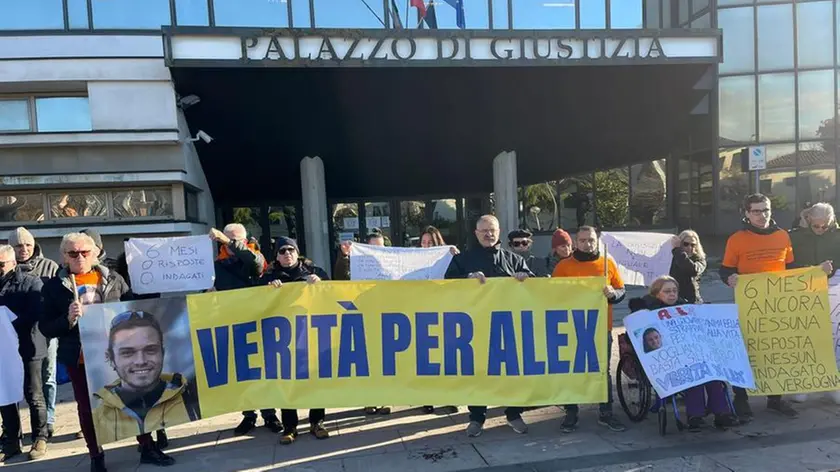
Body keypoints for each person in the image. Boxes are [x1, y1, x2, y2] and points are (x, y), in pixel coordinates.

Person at [39, 233, 173, 471]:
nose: (79, 257)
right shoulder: (54, 287)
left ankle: (146, 445)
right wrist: (67, 319)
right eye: (73, 253)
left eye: (84, 252)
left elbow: (133, 307)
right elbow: (46, 327)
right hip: (80, 357)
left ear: (95, 253)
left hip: (120, 353)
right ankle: (96, 455)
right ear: (64, 256)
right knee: (87, 407)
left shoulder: (113, 278)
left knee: (134, 397)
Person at [446, 214, 533, 437]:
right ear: (476, 234)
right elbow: (446, 286)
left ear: (499, 232)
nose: (488, 234)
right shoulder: (462, 260)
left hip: (509, 326)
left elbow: (536, 287)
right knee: (479, 372)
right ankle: (476, 417)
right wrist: (466, 279)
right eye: (483, 230)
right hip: (475, 328)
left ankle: (514, 413)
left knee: (512, 371)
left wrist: (527, 278)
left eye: (492, 229)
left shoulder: (513, 260)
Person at [720, 193, 798, 420]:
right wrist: (730, 278)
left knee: (777, 350)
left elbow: (792, 267)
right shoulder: (736, 239)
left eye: (765, 210)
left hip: (778, 304)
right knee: (745, 350)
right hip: (749, 305)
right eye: (756, 211)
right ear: (746, 213)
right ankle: (741, 398)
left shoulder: (783, 236)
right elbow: (725, 270)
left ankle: (775, 398)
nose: (762, 215)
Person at [629, 276, 739, 432]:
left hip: (689, 354)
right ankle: (695, 416)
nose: (672, 294)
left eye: (674, 291)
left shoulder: (685, 307)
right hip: (665, 360)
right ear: (656, 293)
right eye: (667, 291)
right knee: (693, 377)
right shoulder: (645, 312)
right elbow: (637, 339)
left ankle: (722, 413)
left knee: (714, 375)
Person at [552, 226, 626, 433]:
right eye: (583, 240)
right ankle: (571, 412)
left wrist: (613, 294)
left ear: (597, 241)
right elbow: (551, 295)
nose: (587, 244)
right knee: (571, 370)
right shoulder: (564, 266)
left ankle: (606, 412)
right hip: (571, 326)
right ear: (576, 243)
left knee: (602, 370)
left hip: (601, 326)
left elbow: (621, 291)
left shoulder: (607, 263)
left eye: (591, 240)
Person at [260, 237, 331, 445]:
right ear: (277, 256)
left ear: (297, 252)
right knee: (287, 381)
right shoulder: (269, 276)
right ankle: (290, 426)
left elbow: (333, 292)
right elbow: (256, 301)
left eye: (291, 249)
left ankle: (317, 422)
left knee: (315, 380)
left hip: (311, 334)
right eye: (282, 251)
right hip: (283, 339)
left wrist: (321, 283)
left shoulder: (314, 271)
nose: (287, 254)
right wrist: (267, 288)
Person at [210, 224, 279, 436]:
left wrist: (228, 241)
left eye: (237, 239)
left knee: (263, 369)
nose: (231, 243)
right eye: (228, 239)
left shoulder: (254, 257)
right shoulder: (216, 265)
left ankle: (269, 414)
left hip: (258, 320)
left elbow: (254, 261)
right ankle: (249, 415)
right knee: (241, 370)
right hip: (232, 322)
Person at [92, 310, 198, 445]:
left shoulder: (191, 400)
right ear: (111, 359)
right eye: (127, 353)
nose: (140, 361)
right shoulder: (99, 415)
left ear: (163, 353)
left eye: (150, 350)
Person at [7, 227, 60, 439]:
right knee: (23, 381)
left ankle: (48, 420)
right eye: (19, 246)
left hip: (45, 330)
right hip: (15, 334)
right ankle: (15, 428)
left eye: (28, 244)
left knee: (47, 376)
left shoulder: (49, 266)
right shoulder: (6, 270)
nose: (24, 249)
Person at [333, 229, 391, 416]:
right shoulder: (356, 264)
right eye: (372, 247)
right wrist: (344, 256)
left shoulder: (391, 265)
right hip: (363, 317)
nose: (377, 251)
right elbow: (341, 277)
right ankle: (369, 400)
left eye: (380, 247)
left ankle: (383, 399)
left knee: (385, 360)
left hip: (387, 316)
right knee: (367, 360)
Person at [0, 245, 48, 461]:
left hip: (28, 346)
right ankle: (11, 440)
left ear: (12, 263)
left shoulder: (30, 282)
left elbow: (38, 311)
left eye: (0, 264)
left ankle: (40, 437)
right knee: (6, 394)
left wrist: (10, 322)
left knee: (33, 393)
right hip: (3, 350)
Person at [418, 226, 459, 415]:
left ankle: (450, 396)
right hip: (422, 313)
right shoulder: (413, 260)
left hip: (444, 312)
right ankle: (428, 397)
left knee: (446, 356)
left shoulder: (449, 258)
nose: (426, 246)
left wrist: (456, 257)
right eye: (424, 242)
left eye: (430, 243)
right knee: (426, 357)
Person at [789, 203, 839, 278]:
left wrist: (832, 267)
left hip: (833, 284)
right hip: (804, 282)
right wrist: (815, 269)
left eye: (825, 227)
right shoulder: (794, 237)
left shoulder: (837, 236)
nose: (820, 230)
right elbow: (789, 265)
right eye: (816, 226)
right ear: (809, 220)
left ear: (831, 222)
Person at [668, 230, 707, 304]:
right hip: (672, 299)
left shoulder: (699, 260)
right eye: (686, 244)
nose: (689, 247)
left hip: (691, 300)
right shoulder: (672, 258)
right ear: (680, 244)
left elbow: (692, 270)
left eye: (693, 245)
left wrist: (677, 251)